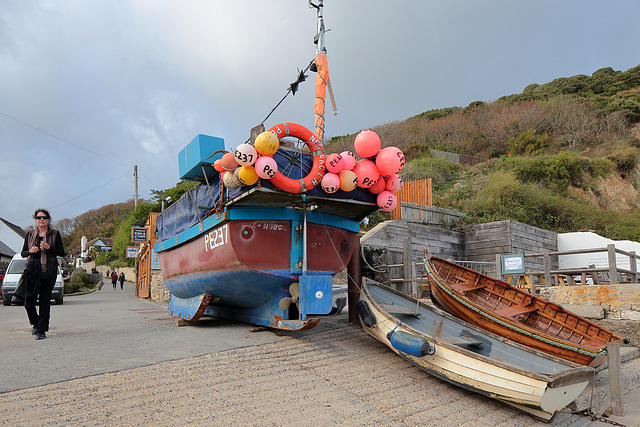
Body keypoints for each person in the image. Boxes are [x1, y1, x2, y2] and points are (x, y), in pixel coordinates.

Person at [21, 208, 65, 340]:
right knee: (28, 300)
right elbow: (23, 253)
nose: (42, 220)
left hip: (48, 269)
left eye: (44, 217)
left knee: (45, 301)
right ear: (35, 219)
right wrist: (30, 251)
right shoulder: (29, 235)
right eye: (39, 217)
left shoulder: (55, 234)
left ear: (49, 220)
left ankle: (41, 330)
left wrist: (49, 248)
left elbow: (62, 252)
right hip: (32, 270)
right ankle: (36, 323)